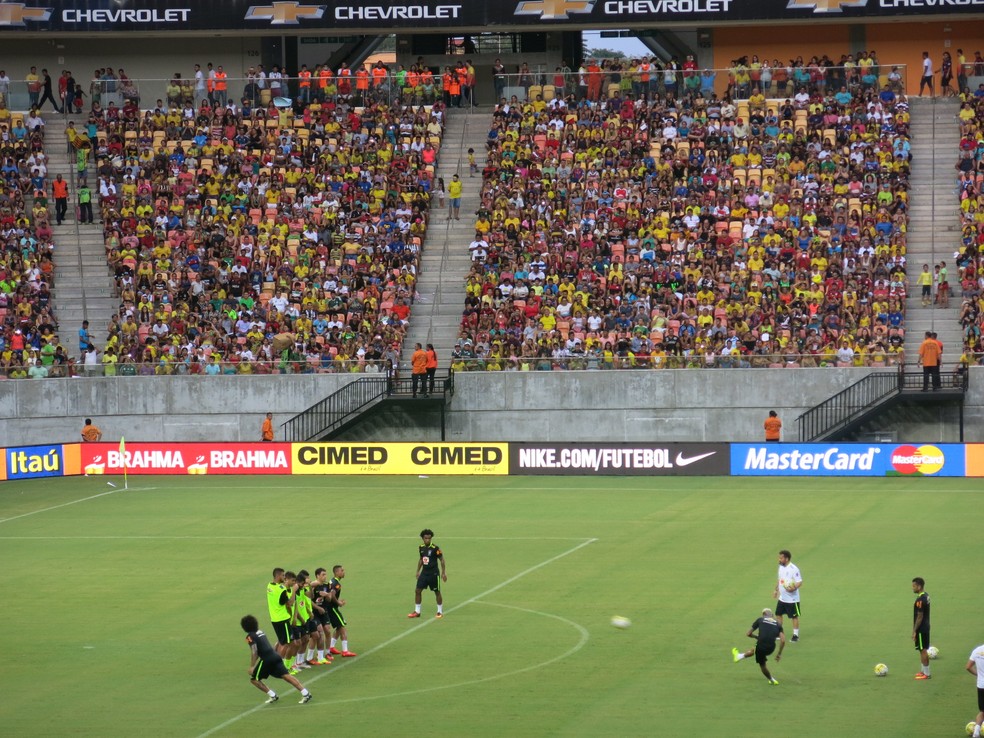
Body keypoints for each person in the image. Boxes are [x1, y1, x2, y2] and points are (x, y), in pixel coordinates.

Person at [240, 614, 312, 705]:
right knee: (286, 676)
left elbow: (254, 651)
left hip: (267, 659)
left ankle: (272, 695)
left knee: (254, 679)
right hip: (276, 656)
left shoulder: (249, 637)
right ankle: (305, 693)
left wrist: (252, 666)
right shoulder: (260, 631)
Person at [731, 607, 785, 685]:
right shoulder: (778, 624)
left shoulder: (760, 620)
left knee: (762, 664)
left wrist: (756, 637)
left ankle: (771, 680)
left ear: (763, 615)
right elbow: (782, 641)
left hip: (761, 646)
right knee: (755, 649)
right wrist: (779, 654)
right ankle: (739, 656)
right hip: (771, 648)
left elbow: (748, 634)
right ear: (772, 615)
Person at [408, 528, 447, 619]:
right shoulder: (421, 547)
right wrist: (418, 571)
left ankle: (439, 611)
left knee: (437, 592)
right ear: (422, 538)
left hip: (433, 574)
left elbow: (442, 560)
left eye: (429, 538)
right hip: (424, 573)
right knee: (417, 590)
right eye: (426, 538)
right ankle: (417, 611)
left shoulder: (435, 548)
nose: (427, 540)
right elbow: (421, 559)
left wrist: (443, 573)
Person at [325, 565, 356, 657]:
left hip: (330, 608)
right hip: (332, 608)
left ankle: (331, 647)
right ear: (336, 572)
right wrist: (338, 603)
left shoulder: (332, 581)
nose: (343, 572)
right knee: (342, 626)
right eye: (342, 570)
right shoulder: (336, 583)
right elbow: (332, 594)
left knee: (339, 627)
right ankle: (345, 651)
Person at [266, 567, 297, 658]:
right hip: (282, 618)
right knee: (287, 643)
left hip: (274, 619)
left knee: (281, 641)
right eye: (283, 575)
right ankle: (279, 664)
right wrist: (294, 591)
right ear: (278, 575)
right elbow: (290, 603)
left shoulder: (269, 586)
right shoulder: (281, 589)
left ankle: (273, 660)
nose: (284, 577)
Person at [774, 549, 802, 641]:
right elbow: (780, 580)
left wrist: (793, 588)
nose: (779, 559)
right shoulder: (781, 567)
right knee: (778, 614)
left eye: (781, 558)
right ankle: (779, 632)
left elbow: (799, 582)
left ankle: (795, 635)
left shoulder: (794, 569)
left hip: (792, 599)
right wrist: (776, 590)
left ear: (787, 558)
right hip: (782, 598)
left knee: (794, 616)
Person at [912, 577, 932, 679]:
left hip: (921, 628)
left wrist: (915, 630)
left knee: (923, 650)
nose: (912, 588)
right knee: (921, 649)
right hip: (926, 626)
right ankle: (923, 671)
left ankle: (927, 674)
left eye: (914, 586)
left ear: (919, 586)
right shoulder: (926, 595)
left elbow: (920, 616)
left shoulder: (920, 600)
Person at [967, 642, 984, 738]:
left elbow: (968, 667)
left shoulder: (977, 650)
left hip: (981, 685)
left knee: (982, 711)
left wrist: (978, 675)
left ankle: (976, 732)